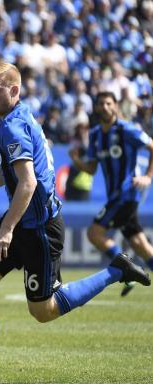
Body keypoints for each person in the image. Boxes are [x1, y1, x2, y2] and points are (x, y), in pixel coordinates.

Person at [0, 62, 150, 384]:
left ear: (14, 90)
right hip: (24, 221)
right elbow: (11, 169)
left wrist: (6, 229)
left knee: (43, 311)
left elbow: (28, 184)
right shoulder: (17, 120)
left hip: (38, 229)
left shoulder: (13, 126)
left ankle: (116, 270)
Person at [70, 91, 153, 297]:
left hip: (126, 195)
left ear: (116, 106)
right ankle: (130, 268)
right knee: (139, 243)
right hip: (115, 196)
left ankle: (127, 268)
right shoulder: (96, 134)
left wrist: (148, 176)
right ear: (96, 108)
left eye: (109, 103)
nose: (104, 107)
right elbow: (91, 169)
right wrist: (76, 161)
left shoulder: (127, 130)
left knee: (94, 233)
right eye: (101, 104)